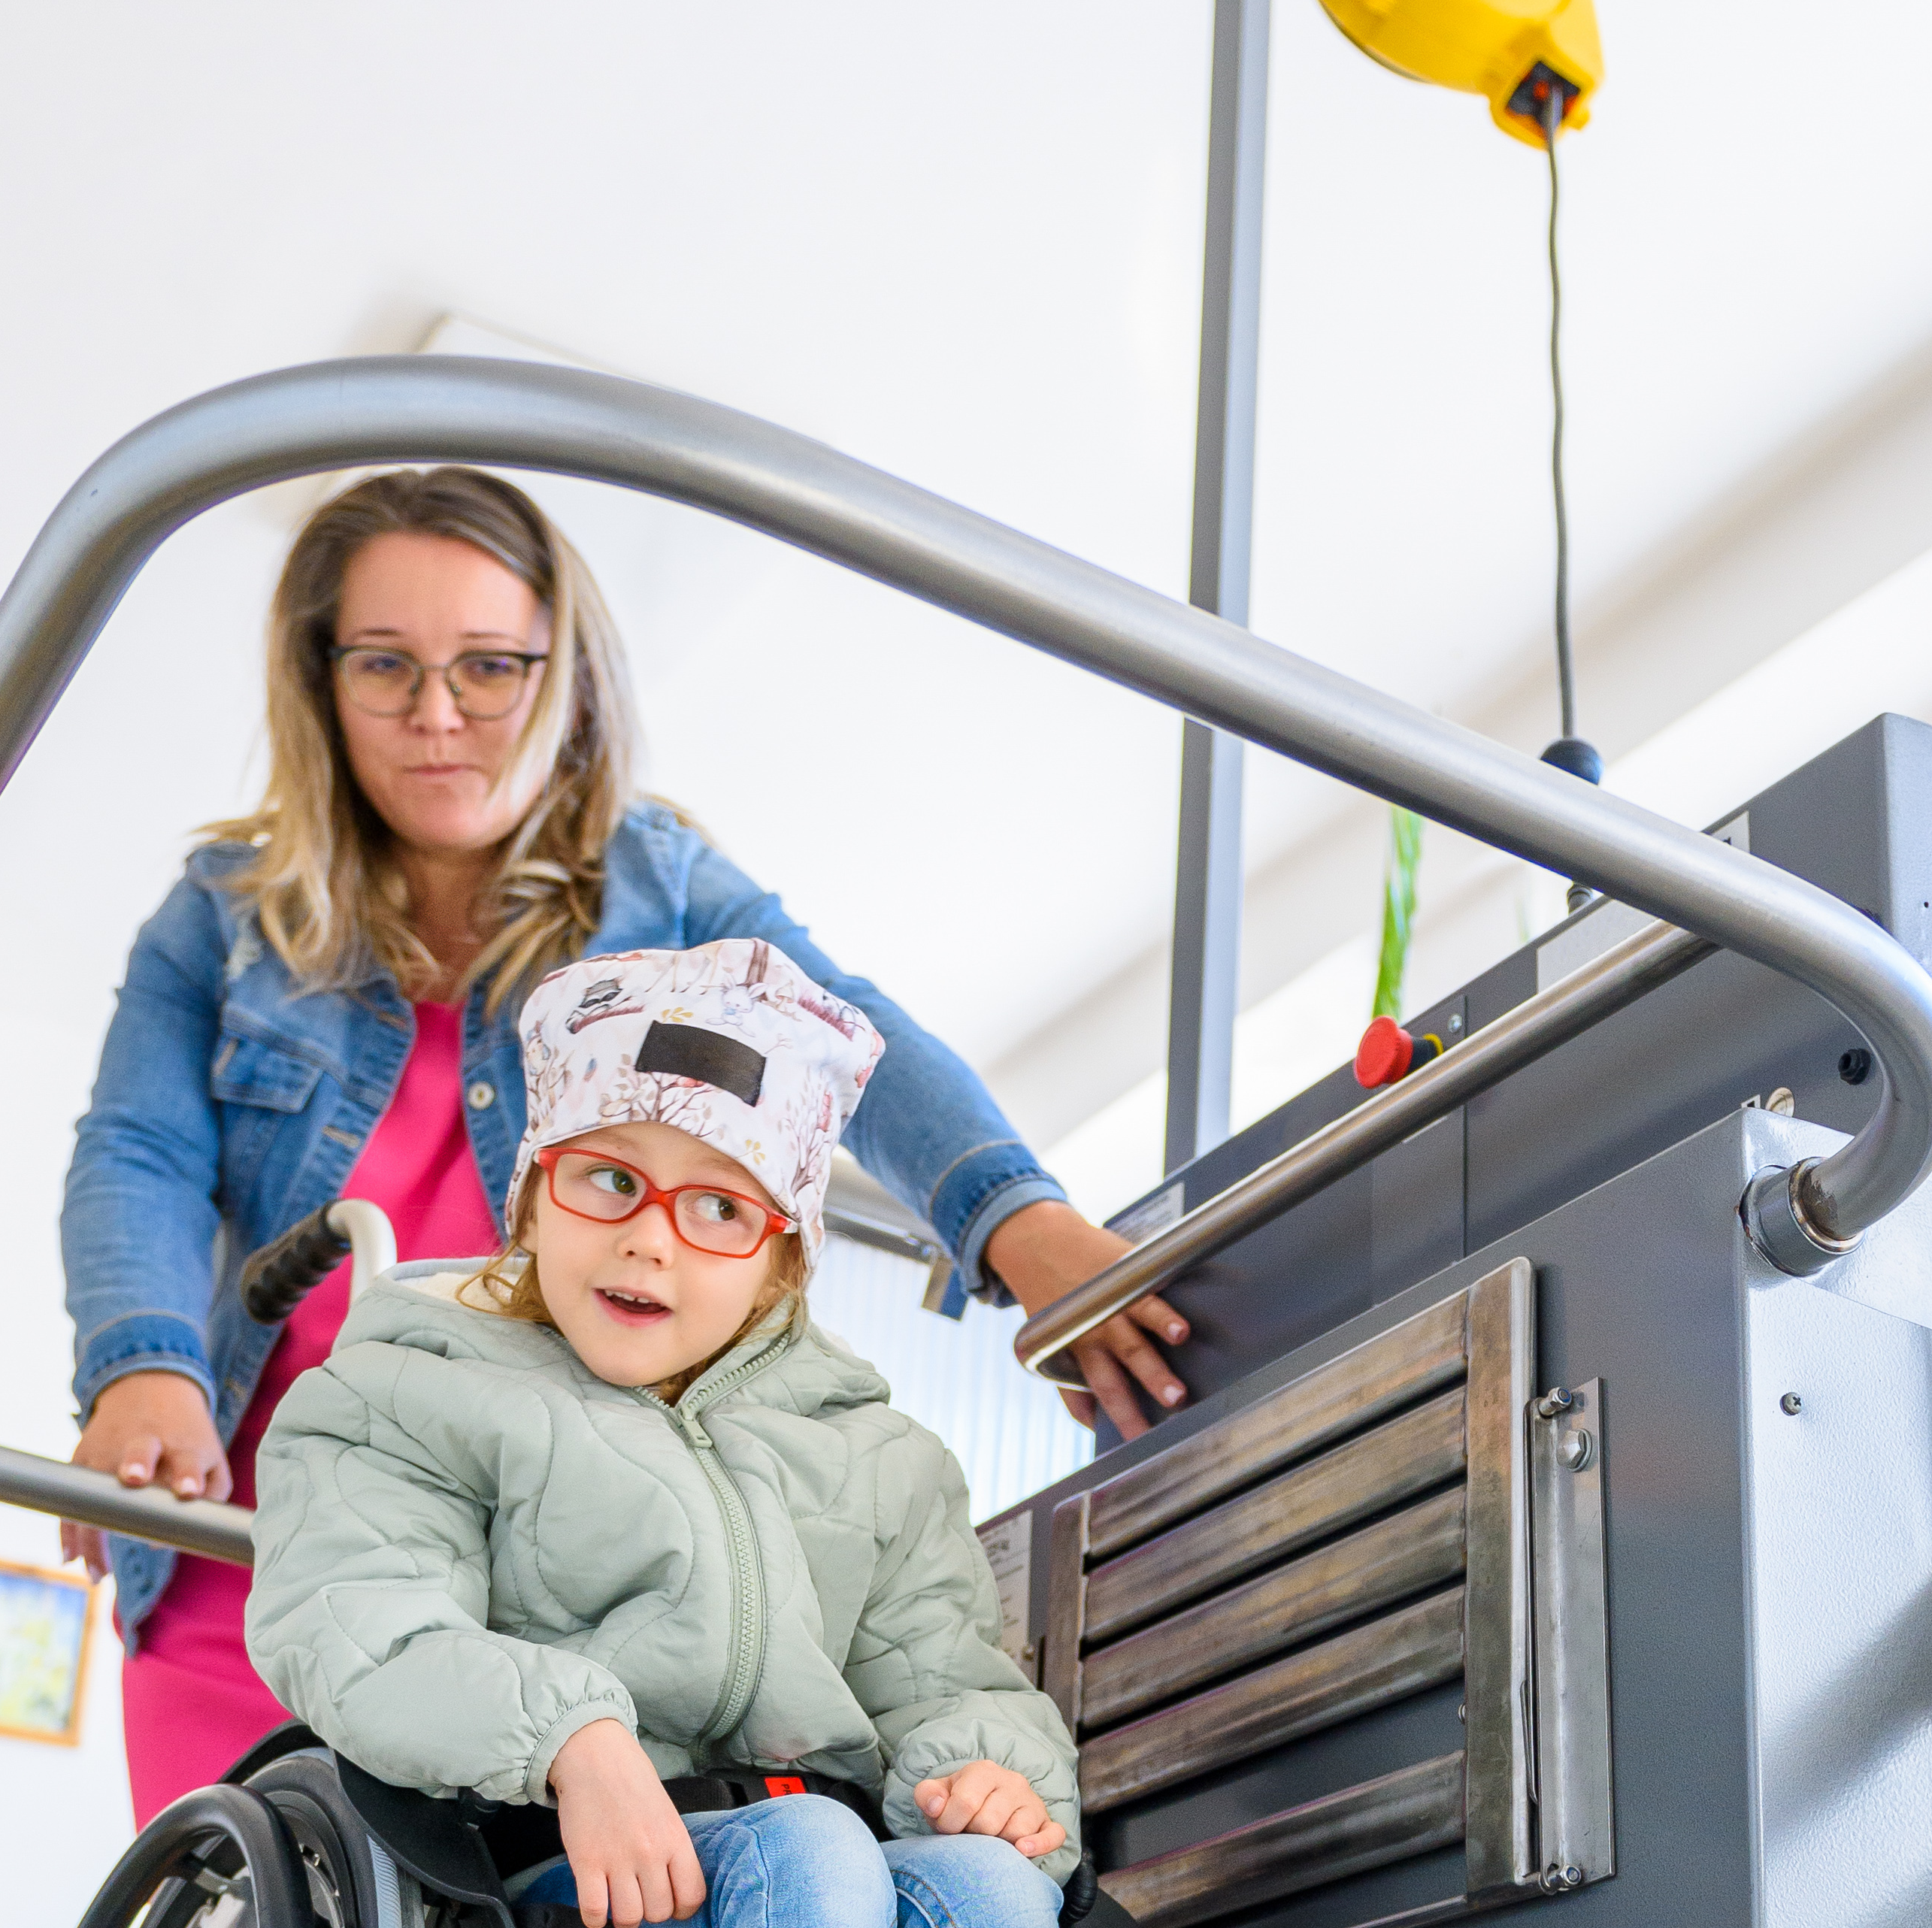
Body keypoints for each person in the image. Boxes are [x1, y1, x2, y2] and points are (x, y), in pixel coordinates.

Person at [62, 463, 1189, 1825]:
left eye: (490, 667)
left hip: (535, 1557)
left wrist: (1016, 1217)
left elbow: (852, 1037)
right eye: (385, 666)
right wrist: (140, 1371)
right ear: (322, 680)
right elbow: (139, 1155)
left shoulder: (657, 882)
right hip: (265, 1536)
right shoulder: (222, 916)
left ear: (570, 678)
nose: (437, 717)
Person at [243, 934, 1162, 1928]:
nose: (652, 1242)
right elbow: (360, 1625)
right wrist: (569, 1733)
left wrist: (989, 1769)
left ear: (783, 1257)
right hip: (529, 1861)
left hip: (811, 1878)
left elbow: (941, 1664)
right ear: (531, 1191)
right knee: (819, 1843)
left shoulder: (871, 1460)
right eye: (607, 1180)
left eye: (716, 1206)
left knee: (997, 1890)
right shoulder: (410, 1380)